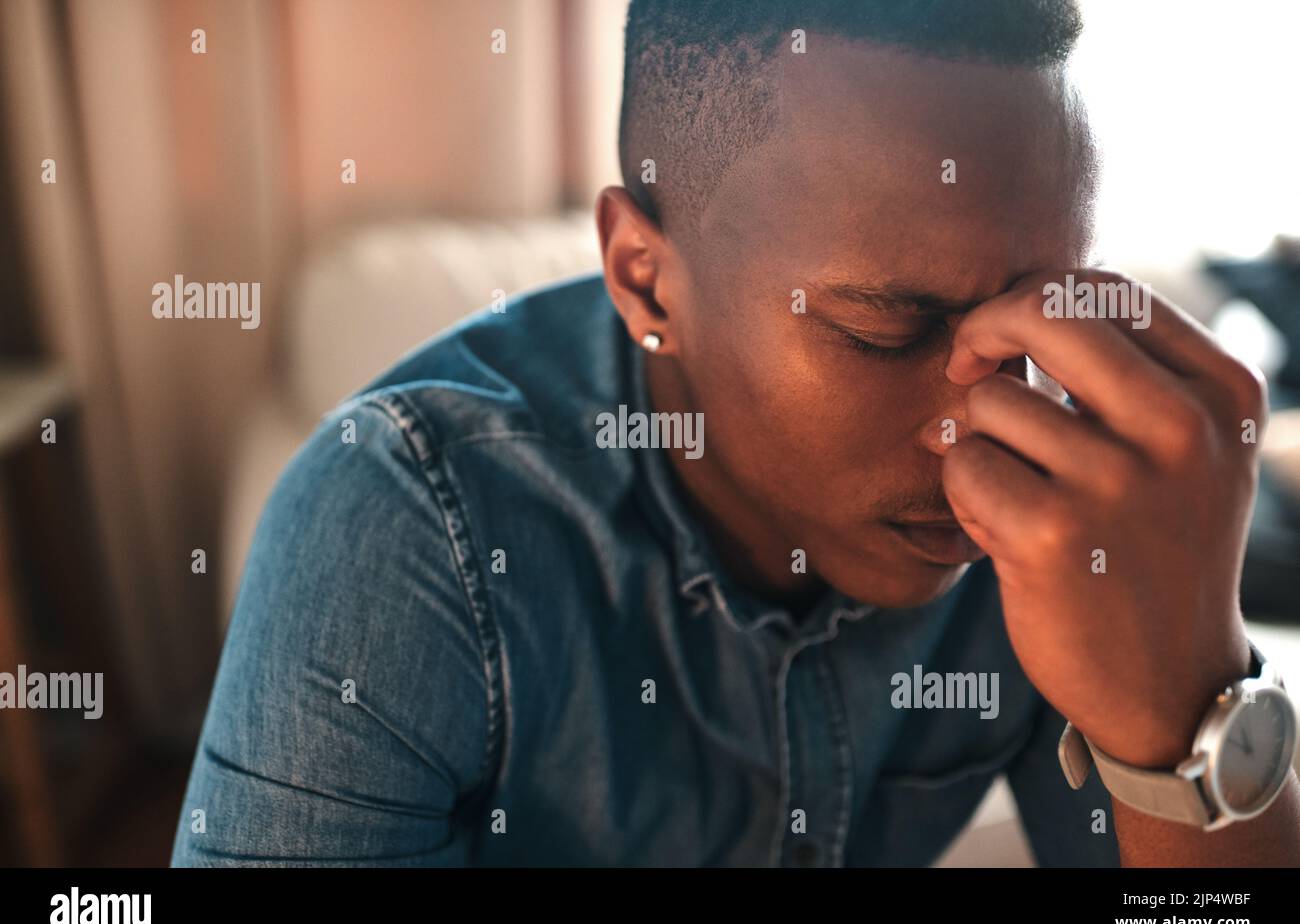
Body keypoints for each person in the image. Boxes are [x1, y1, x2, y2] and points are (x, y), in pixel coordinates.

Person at [171, 0, 1299, 866]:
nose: (981, 433)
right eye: (883, 329)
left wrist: (1186, 698)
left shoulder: (1065, 506)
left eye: (1034, 325)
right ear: (644, 278)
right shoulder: (400, 533)